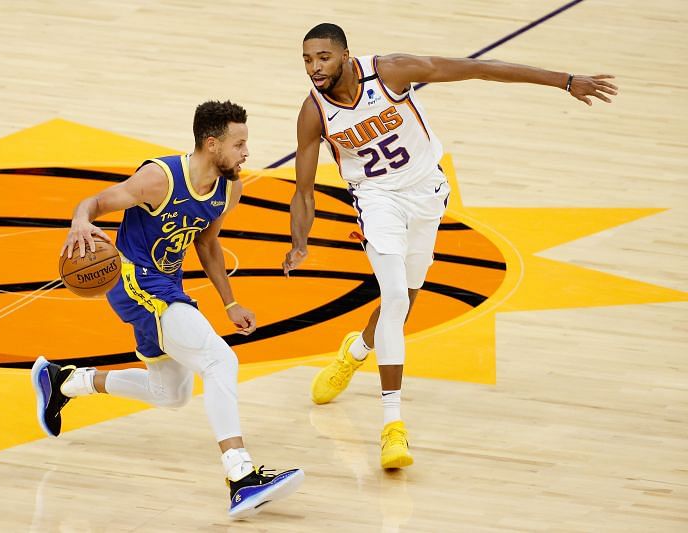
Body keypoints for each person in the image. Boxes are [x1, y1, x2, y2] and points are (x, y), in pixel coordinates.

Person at [283, 23, 617, 469]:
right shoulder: (313, 113)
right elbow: (303, 192)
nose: (314, 67)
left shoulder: (390, 73)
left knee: (408, 299)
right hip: (375, 200)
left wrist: (565, 80)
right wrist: (299, 243)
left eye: (323, 57)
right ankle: (392, 426)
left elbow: (480, 68)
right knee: (396, 296)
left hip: (426, 192)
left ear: (346, 55)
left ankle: (356, 351)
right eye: (307, 59)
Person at [32, 100, 304, 519]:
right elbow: (95, 202)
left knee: (171, 393)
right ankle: (240, 476)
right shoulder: (159, 179)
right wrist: (80, 222)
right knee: (219, 360)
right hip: (133, 280)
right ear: (211, 144)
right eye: (239, 143)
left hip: (166, 285)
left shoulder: (229, 188)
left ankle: (64, 381)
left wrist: (229, 302)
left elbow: (207, 243)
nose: (247, 152)